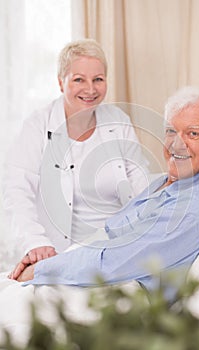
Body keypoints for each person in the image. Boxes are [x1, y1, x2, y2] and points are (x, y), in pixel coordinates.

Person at [10, 86, 199, 289]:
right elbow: (108, 239)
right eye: (171, 131)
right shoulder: (162, 183)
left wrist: (39, 270)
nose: (176, 144)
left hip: (113, 297)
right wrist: (52, 261)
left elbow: (109, 264)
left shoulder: (187, 211)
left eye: (192, 133)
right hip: (81, 268)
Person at [2, 38, 152, 266]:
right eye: (79, 79)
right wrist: (35, 242)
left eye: (98, 79)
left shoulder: (118, 121)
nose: (90, 89)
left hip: (115, 249)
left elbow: (141, 183)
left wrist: (146, 232)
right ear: (61, 83)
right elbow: (16, 191)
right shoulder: (38, 125)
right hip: (58, 252)